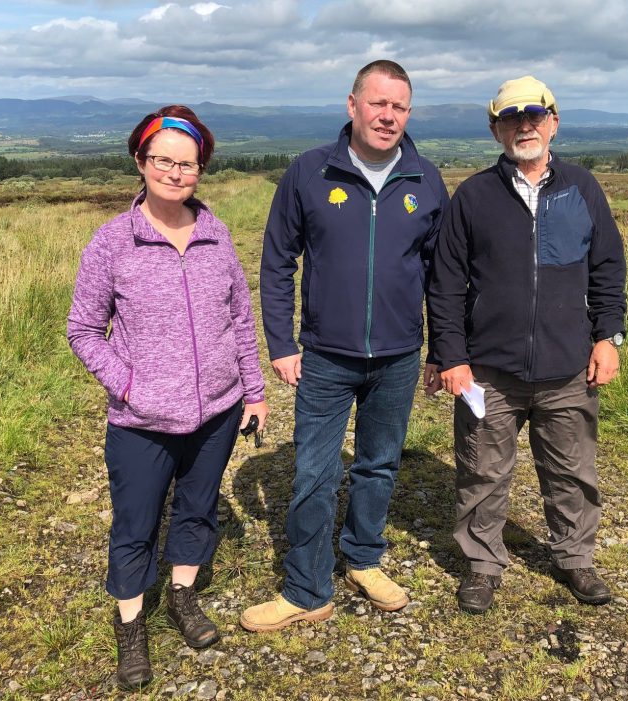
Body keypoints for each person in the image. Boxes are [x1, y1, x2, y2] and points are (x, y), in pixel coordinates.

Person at [242, 60, 449, 632]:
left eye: (399, 107)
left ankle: (363, 557)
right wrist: (281, 342)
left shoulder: (426, 180)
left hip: (400, 355)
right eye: (378, 103)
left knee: (379, 464)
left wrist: (442, 350)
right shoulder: (309, 172)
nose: (388, 116)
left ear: (409, 114)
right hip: (326, 356)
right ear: (352, 105)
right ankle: (307, 588)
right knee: (313, 470)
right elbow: (277, 260)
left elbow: (443, 275)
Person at [67, 105, 269, 689]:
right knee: (135, 523)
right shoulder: (113, 241)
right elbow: (82, 330)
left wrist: (252, 391)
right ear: (141, 162)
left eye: (188, 164)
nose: (176, 174)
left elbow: (238, 315)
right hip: (141, 419)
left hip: (218, 411)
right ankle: (132, 624)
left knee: (198, 509)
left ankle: (182, 594)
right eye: (164, 161)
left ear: (200, 169)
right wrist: (129, 384)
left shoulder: (215, 232)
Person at [426, 76, 627, 614]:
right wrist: (451, 355)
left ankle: (574, 559)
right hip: (489, 369)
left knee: (571, 471)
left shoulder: (582, 188)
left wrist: (608, 336)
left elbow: (608, 268)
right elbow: (445, 283)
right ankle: (483, 564)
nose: (525, 125)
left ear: (554, 122)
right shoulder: (473, 196)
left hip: (567, 368)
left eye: (535, 115)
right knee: (483, 471)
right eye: (512, 118)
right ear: (496, 129)